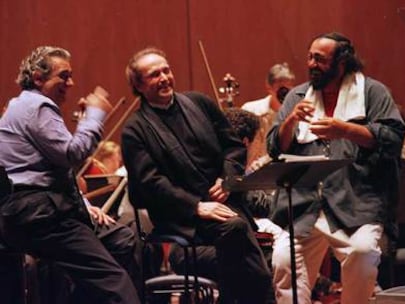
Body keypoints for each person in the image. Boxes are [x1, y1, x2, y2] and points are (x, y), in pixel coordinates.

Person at [122, 47, 273, 304]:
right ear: (138, 85)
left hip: (224, 202)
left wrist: (226, 180)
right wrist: (196, 207)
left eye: (166, 70)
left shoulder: (199, 102)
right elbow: (149, 184)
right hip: (180, 216)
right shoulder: (134, 130)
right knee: (239, 234)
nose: (164, 78)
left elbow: (233, 146)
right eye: (154, 74)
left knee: (243, 242)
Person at [266, 32, 405, 304]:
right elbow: (274, 147)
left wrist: (345, 130)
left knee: (363, 255)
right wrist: (291, 120)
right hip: (304, 204)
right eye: (309, 57)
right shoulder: (297, 96)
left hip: (355, 201)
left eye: (319, 59)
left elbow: (392, 138)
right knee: (283, 260)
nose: (311, 64)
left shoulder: (372, 92)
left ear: (342, 62)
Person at [0, 46, 141, 304]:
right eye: (63, 76)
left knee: (121, 240)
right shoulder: (37, 105)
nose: (71, 83)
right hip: (43, 216)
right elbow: (71, 154)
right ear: (38, 78)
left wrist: (84, 204)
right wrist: (94, 115)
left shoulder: (23, 106)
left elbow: (56, 167)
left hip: (32, 211)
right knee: (116, 284)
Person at [242, 62, 295, 166]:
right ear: (269, 87)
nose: (286, 94)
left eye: (290, 88)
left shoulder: (294, 113)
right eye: (282, 88)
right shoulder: (250, 110)